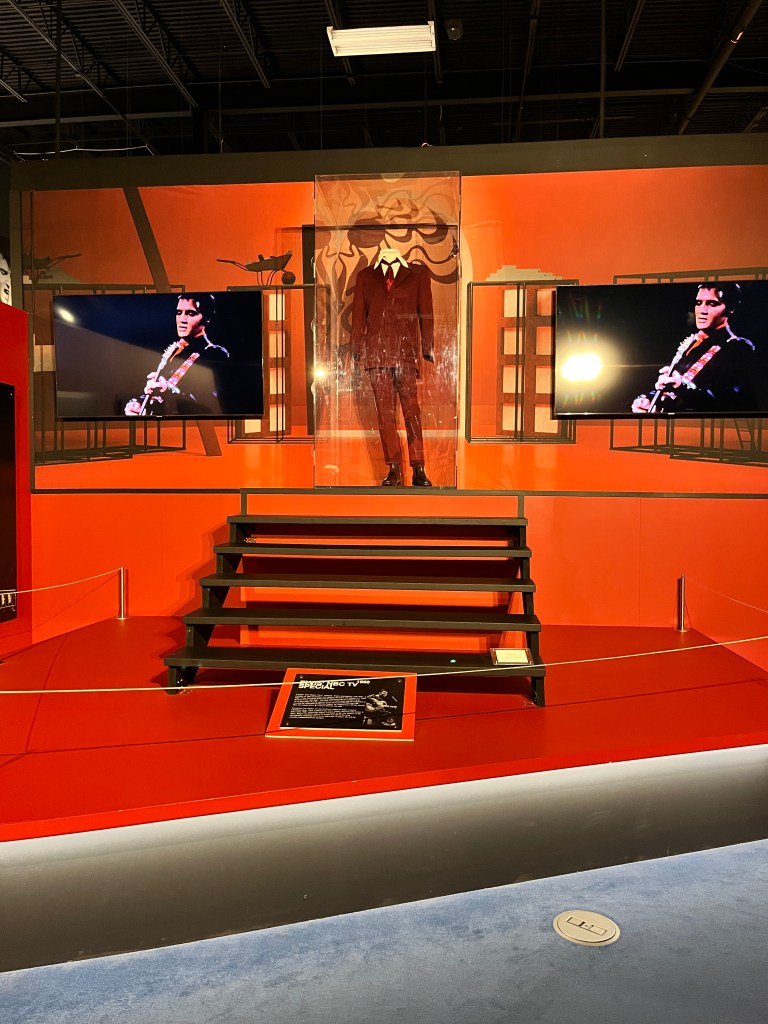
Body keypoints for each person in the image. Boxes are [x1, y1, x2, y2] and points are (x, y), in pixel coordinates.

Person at [350, 248, 435, 486]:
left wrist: (428, 347)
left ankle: (418, 467)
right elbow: (359, 315)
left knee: (412, 411)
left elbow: (426, 312)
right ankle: (394, 467)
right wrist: (356, 348)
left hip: (405, 355)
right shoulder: (366, 276)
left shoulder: (417, 274)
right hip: (377, 357)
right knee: (385, 415)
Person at [631, 282, 755, 414]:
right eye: (699, 303)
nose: (702, 310)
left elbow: (723, 402)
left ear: (731, 308)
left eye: (712, 304)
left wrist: (681, 386)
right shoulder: (691, 341)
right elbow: (670, 386)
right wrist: (647, 400)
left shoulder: (738, 347)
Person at [124, 293, 230, 416]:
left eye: (191, 313)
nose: (182, 320)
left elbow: (211, 404)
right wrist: (138, 404)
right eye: (179, 313)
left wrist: (169, 390)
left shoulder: (214, 354)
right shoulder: (171, 349)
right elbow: (156, 392)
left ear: (207, 318)